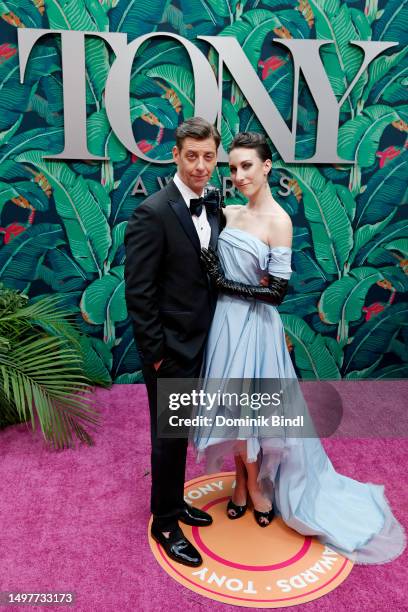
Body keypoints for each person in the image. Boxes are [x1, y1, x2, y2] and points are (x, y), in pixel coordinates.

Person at [193, 131, 406, 563]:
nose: (238, 175)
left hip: (257, 326)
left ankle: (254, 484)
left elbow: (276, 294)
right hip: (224, 325)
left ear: (267, 166)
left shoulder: (280, 221)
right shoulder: (227, 212)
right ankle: (241, 477)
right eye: (232, 168)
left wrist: (223, 281)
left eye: (247, 166)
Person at [124, 117, 225, 568]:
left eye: (208, 157)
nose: (200, 166)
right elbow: (138, 291)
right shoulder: (153, 212)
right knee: (168, 437)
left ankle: (176, 502)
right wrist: (157, 356)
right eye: (192, 156)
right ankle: (165, 522)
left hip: (205, 343)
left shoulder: (214, 207)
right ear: (176, 155)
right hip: (171, 353)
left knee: (182, 434)